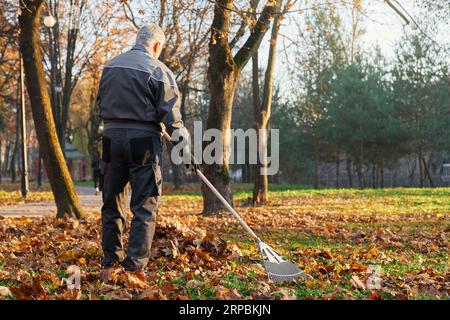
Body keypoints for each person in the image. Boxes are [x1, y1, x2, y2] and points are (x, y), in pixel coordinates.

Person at [97, 22, 190, 272]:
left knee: (112, 202)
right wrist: (185, 150)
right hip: (142, 142)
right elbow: (172, 117)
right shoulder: (158, 70)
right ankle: (135, 266)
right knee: (144, 205)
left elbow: (100, 103)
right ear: (156, 45)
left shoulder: (110, 66)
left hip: (110, 139)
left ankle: (110, 259)